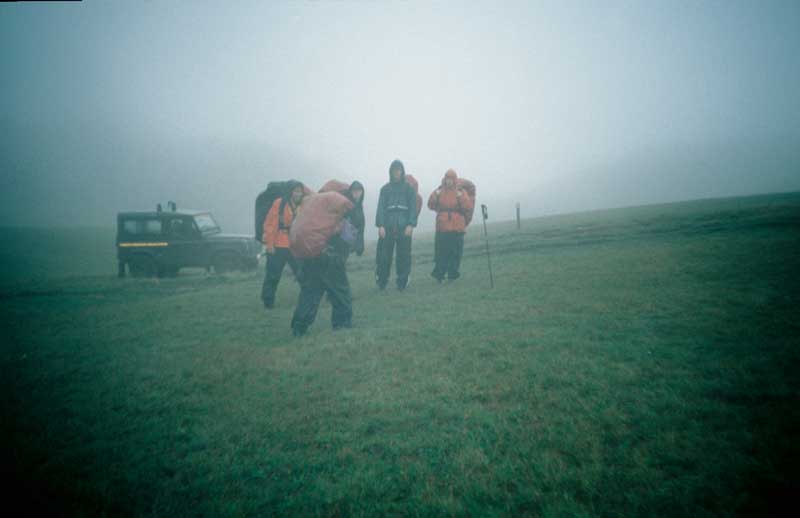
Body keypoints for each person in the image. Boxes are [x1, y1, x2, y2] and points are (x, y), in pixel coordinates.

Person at [291, 182, 364, 336]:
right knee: (340, 290)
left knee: (310, 292)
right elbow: (347, 237)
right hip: (329, 256)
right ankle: (342, 324)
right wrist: (340, 258)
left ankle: (299, 327)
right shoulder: (346, 209)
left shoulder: (318, 207)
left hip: (310, 254)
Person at [261, 181, 305, 309]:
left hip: (295, 245)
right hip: (278, 244)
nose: (298, 193)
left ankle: (309, 297)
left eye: (300, 191)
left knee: (302, 273)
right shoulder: (279, 203)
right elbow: (270, 225)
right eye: (296, 191)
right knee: (273, 275)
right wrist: (270, 245)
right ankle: (268, 302)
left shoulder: (303, 204)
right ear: (290, 191)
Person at [375, 159, 418, 290]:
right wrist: (380, 225)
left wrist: (411, 225)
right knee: (383, 256)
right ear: (391, 172)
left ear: (402, 171)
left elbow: (413, 208)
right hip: (387, 227)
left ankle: (402, 282)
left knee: (404, 256)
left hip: (404, 227)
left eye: (399, 170)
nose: (396, 173)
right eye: (394, 170)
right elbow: (381, 208)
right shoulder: (385, 189)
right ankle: (382, 281)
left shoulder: (409, 189)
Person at [428, 169, 474, 282]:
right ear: (445, 179)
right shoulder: (439, 191)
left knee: (455, 253)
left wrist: (461, 199)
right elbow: (430, 204)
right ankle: (440, 275)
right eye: (447, 179)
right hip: (443, 227)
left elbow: (468, 207)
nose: (449, 181)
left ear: (454, 180)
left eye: (451, 179)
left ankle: (452, 275)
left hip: (456, 227)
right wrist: (435, 196)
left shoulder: (460, 192)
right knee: (440, 252)